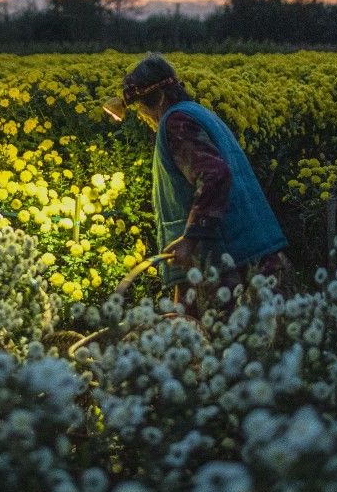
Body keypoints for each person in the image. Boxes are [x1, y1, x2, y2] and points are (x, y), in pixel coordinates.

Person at [103, 53, 290, 316]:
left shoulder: (176, 122)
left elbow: (214, 174)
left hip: (229, 262)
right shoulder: (201, 114)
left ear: (157, 99)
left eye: (141, 108)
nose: (143, 116)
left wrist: (191, 239)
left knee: (218, 343)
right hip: (254, 250)